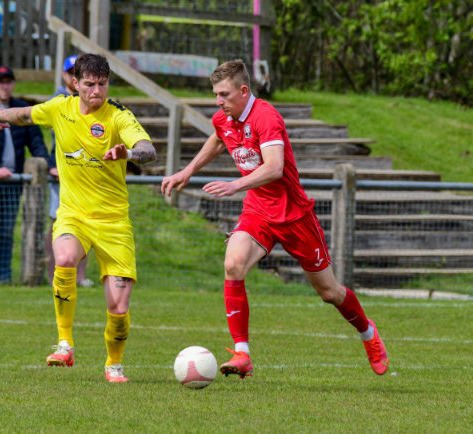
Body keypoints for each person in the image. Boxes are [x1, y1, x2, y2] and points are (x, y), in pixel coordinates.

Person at [161, 59, 389, 378]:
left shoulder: (266, 117)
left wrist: (235, 185)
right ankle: (242, 353)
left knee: (329, 293)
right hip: (258, 211)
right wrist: (187, 171)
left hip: (294, 215)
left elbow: (274, 168)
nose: (218, 101)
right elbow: (218, 137)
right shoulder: (224, 118)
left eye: (224, 94)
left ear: (244, 91)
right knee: (233, 264)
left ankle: (368, 333)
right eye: (215, 95)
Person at [0, 53, 156, 382]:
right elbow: (24, 115)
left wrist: (130, 152)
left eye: (102, 84)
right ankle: (65, 344)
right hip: (73, 215)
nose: (96, 91)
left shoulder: (119, 116)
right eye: (89, 84)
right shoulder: (60, 108)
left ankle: (114, 364)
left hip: (113, 222)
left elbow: (148, 149)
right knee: (63, 258)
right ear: (75, 83)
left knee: (119, 307)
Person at [0, 65, 52, 285]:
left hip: (12, 183)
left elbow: (36, 142)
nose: (4, 86)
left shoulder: (21, 110)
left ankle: (4, 277)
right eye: (0, 82)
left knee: (6, 232)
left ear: (13, 85)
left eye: (8, 82)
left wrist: (49, 165)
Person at [46, 55, 93, 288]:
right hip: (62, 174)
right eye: (71, 72)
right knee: (58, 223)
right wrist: (50, 164)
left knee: (86, 224)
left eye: (79, 72)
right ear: (65, 75)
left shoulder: (93, 101)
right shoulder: (56, 102)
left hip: (86, 174)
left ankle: (80, 276)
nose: (75, 76)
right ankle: (54, 274)